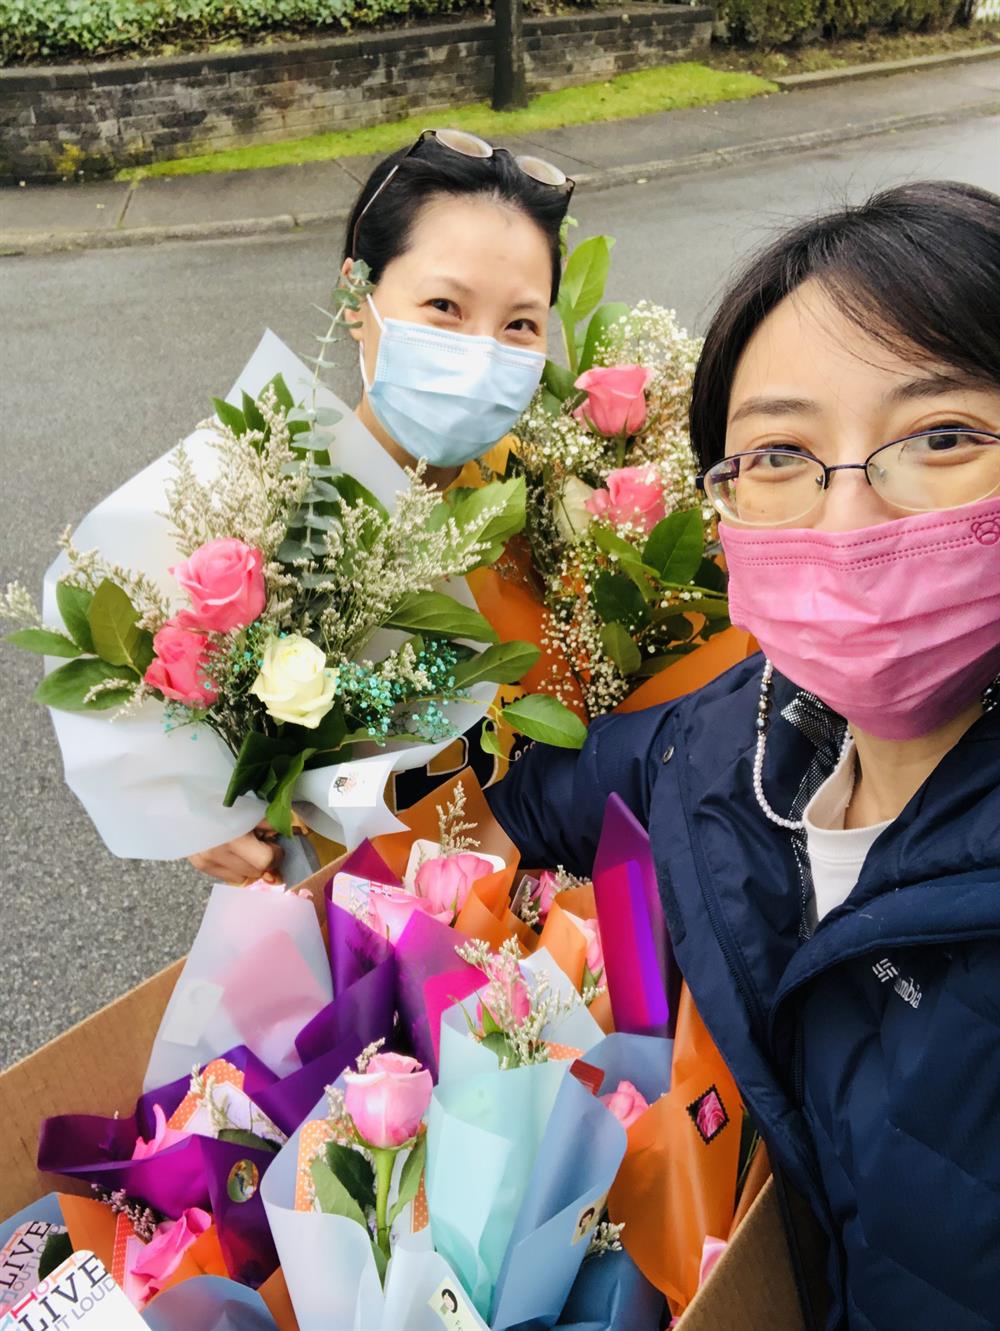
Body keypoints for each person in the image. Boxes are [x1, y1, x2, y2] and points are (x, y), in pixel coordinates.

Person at [488, 181, 1000, 1330]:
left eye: (944, 436)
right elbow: (549, 784)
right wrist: (347, 802)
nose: (849, 519)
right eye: (779, 452)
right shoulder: (748, 726)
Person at [190, 129, 573, 884]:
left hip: (557, 916)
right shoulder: (271, 524)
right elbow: (177, 722)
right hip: (358, 940)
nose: (483, 349)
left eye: (520, 324)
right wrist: (197, 815)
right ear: (356, 298)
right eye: (444, 306)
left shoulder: (557, 502)